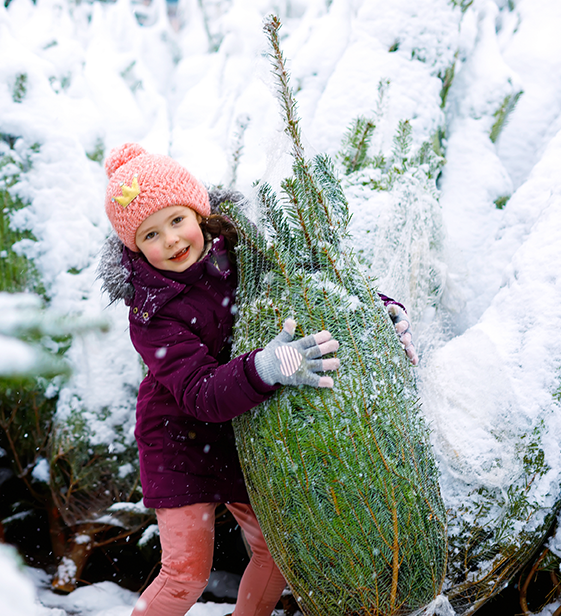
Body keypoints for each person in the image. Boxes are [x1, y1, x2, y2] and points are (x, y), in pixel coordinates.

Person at [99, 143, 416, 616]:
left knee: (277, 553)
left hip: (244, 431)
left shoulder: (247, 253)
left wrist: (375, 315)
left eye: (176, 220)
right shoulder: (151, 313)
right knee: (186, 571)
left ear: (199, 211)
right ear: (134, 248)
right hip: (179, 439)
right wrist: (265, 367)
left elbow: (311, 284)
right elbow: (200, 392)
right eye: (150, 234)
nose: (170, 240)